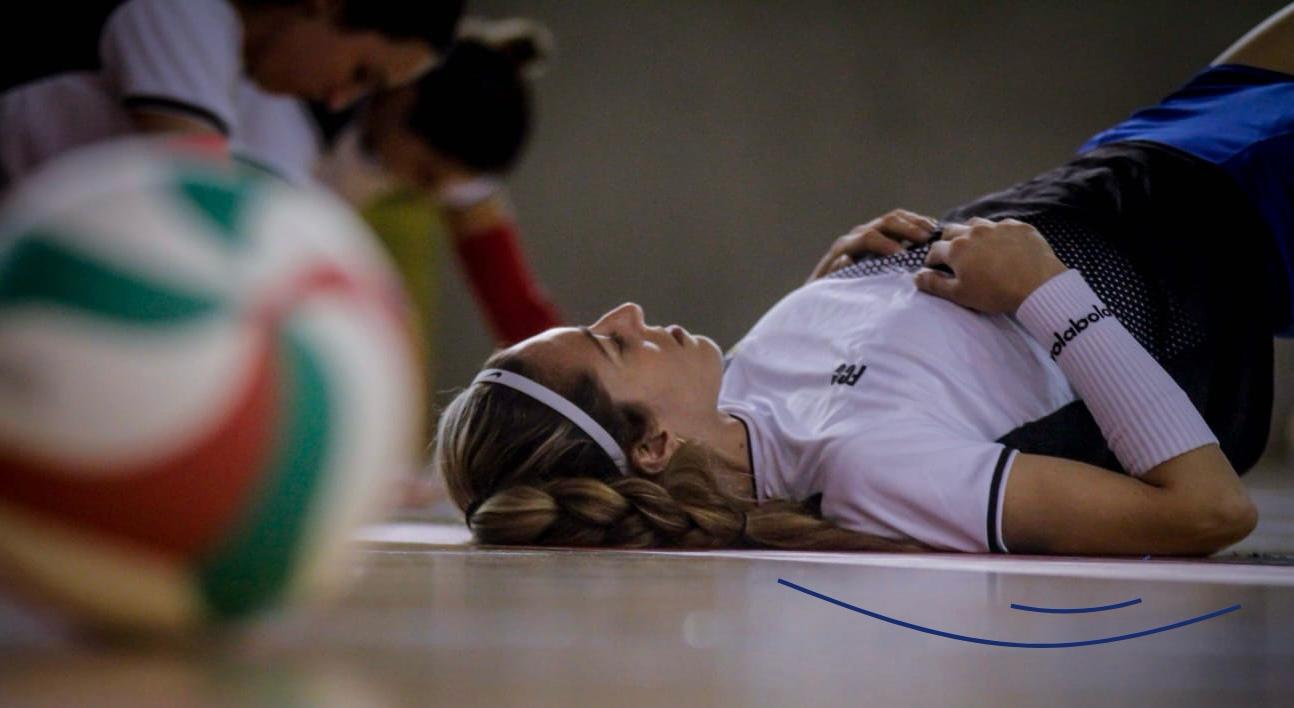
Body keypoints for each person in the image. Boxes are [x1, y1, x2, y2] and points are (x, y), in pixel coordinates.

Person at [433, 6, 1294, 556]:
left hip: (1129, 171)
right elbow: (1209, 513)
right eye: (613, 344)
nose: (629, 312)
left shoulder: (745, 389)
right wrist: (1046, 291)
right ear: (654, 447)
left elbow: (879, 374)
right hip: (1232, 225)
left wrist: (852, 282)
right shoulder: (861, 470)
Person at [0, 0, 465, 187]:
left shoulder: (232, 71)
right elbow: (204, 206)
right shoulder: (186, 13)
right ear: (325, 4)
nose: (339, 100)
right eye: (361, 72)